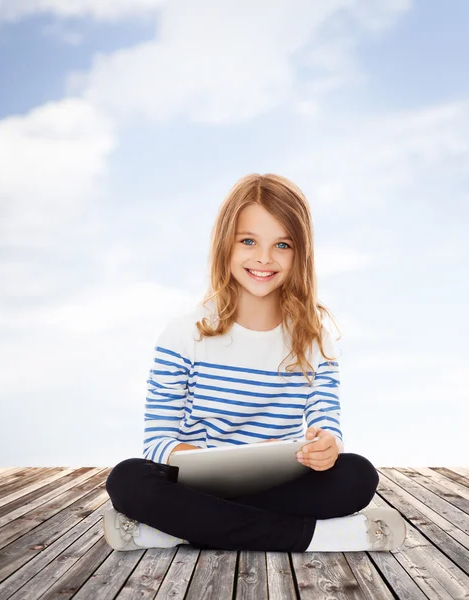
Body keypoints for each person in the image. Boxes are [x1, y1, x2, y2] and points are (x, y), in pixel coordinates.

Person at [104, 173, 407, 553]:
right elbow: (157, 442)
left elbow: (326, 423)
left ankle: (172, 530)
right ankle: (317, 537)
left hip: (275, 485)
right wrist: (207, 461)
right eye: (248, 241)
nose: (264, 258)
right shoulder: (183, 335)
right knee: (128, 479)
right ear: (224, 247)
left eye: (282, 244)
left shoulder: (315, 341)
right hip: (194, 484)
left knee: (357, 475)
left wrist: (326, 446)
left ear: (301, 254)